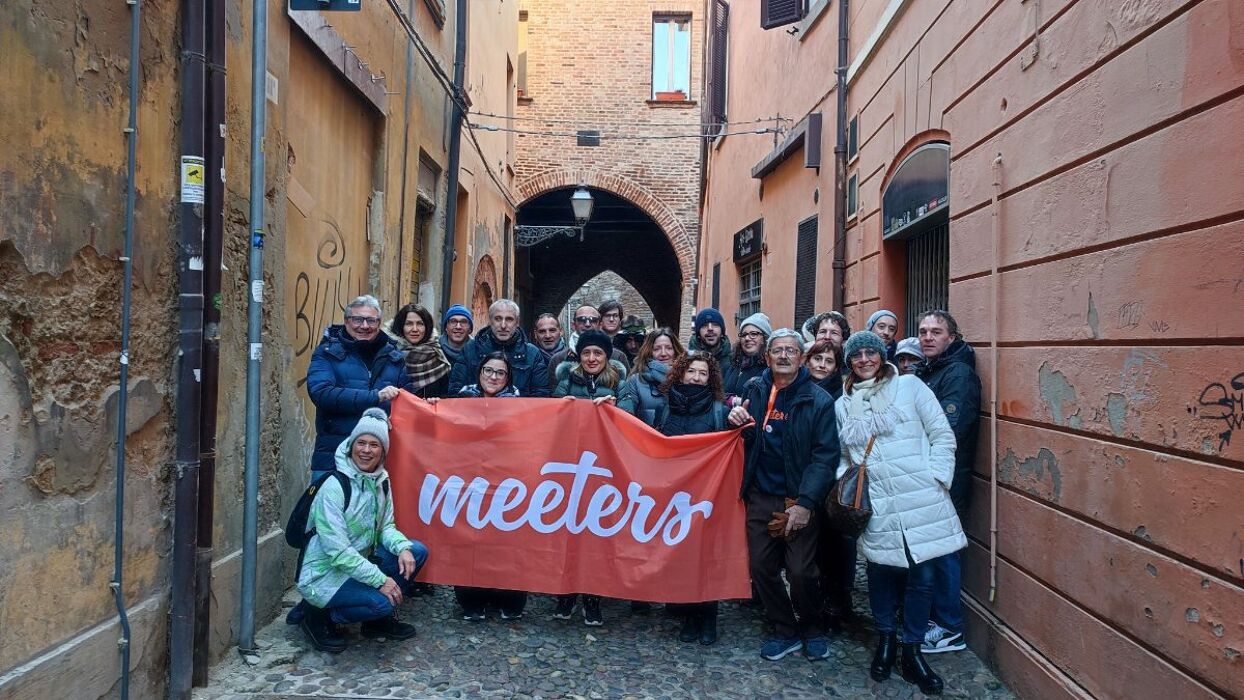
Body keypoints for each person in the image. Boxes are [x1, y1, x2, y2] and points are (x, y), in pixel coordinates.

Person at [836, 331, 964, 695]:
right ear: (849, 362)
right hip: (876, 504)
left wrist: (937, 477)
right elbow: (845, 458)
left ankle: (912, 649)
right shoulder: (842, 404)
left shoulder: (910, 388)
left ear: (882, 356)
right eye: (856, 354)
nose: (864, 359)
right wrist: (852, 492)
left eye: (870, 352)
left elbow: (942, 434)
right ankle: (886, 641)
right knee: (881, 574)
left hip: (920, 497)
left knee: (922, 577)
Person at [727, 329, 838, 662]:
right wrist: (733, 420)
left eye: (791, 350)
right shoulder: (755, 389)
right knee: (761, 567)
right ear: (767, 356)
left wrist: (806, 503)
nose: (785, 356)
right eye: (778, 350)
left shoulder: (819, 400)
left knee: (802, 571)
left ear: (801, 358)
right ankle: (784, 629)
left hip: (797, 497)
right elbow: (741, 433)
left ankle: (813, 627)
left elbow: (825, 455)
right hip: (760, 494)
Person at [296, 408, 430, 652]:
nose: (366, 450)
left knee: (417, 551)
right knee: (381, 603)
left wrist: (402, 548)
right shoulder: (334, 487)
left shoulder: (381, 481)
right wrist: (381, 581)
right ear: (351, 445)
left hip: (357, 565)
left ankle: (375, 624)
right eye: (361, 443)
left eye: (374, 445)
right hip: (325, 574)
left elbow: (385, 528)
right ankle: (318, 614)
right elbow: (338, 552)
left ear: (383, 452)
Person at [427, 353, 528, 619]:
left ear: (509, 378)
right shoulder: (461, 400)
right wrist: (434, 408)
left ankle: (508, 596)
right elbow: (442, 433)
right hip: (468, 484)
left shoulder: (525, 406)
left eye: (500, 373)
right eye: (488, 371)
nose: (493, 377)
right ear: (479, 372)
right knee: (469, 540)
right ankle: (472, 598)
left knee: (505, 541)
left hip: (507, 485)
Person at [916, 310, 981, 657]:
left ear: (951, 338)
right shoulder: (930, 370)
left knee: (943, 555)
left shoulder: (957, 374)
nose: (928, 337)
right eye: (923, 331)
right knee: (930, 554)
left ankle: (950, 627)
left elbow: (949, 430)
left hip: (945, 482)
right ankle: (933, 620)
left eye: (936, 331)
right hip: (929, 480)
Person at [654, 353, 730, 645]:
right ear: (680, 374)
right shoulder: (664, 407)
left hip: (707, 497)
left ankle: (708, 616)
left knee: (707, 558)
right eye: (691, 372)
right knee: (680, 556)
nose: (696, 378)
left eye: (703, 374)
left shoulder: (717, 411)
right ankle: (688, 614)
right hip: (673, 497)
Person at [551, 330, 624, 626]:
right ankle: (566, 593)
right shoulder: (566, 381)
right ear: (578, 356)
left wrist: (616, 409)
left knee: (597, 535)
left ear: (606, 357)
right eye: (586, 353)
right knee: (568, 532)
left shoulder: (620, 382)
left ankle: (592, 597)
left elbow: (630, 417)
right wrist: (562, 408)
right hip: (570, 468)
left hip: (604, 470)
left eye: (597, 353)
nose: (592, 358)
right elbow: (550, 419)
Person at [306, 295, 411, 480]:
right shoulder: (327, 352)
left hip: (379, 462)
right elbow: (321, 393)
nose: (364, 326)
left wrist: (428, 404)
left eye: (371, 320)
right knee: (326, 509)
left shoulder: (395, 358)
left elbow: (408, 401)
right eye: (357, 319)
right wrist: (375, 397)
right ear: (346, 321)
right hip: (332, 457)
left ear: (379, 323)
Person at [803, 338, 854, 629]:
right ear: (808, 360)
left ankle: (838, 603)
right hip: (808, 474)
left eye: (829, 361)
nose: (822, 365)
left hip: (836, 477)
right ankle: (814, 600)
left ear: (837, 367)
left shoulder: (844, 394)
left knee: (838, 544)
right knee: (814, 543)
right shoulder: (798, 389)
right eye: (817, 359)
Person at [449, 299, 551, 397]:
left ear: (517, 322)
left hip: (518, 414)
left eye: (509, 319)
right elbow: (455, 392)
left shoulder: (532, 354)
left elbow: (540, 396)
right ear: (489, 321)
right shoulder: (470, 349)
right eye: (498, 319)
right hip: (477, 413)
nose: (503, 325)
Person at [547, 305, 629, 392]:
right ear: (573, 325)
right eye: (581, 320)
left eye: (593, 320)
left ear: (600, 324)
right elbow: (554, 398)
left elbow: (626, 395)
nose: (587, 324)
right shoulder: (558, 360)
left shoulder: (618, 357)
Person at [616, 328, 684, 427]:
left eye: (669, 348)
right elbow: (626, 418)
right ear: (649, 352)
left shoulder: (688, 379)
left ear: (676, 350)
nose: (663, 353)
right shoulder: (636, 381)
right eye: (657, 349)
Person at [387, 303, 451, 399]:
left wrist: (437, 401)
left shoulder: (437, 356)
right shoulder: (388, 354)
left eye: (420, 324)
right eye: (409, 324)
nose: (415, 329)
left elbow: (445, 396)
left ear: (427, 327)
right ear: (401, 326)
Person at [724, 312, 771, 404]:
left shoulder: (769, 369)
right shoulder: (732, 365)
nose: (747, 338)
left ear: (764, 339)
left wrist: (733, 400)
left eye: (753, 334)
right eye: (744, 334)